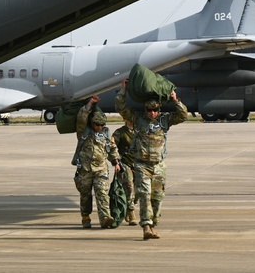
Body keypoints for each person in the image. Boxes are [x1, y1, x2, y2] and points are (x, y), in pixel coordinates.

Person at [116, 79, 188, 241]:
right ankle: (146, 226)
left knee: (157, 198)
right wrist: (123, 90)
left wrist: (175, 100)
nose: (152, 113)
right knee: (144, 194)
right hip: (142, 165)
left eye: (155, 110)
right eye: (149, 110)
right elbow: (121, 108)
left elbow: (183, 115)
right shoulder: (138, 120)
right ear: (145, 109)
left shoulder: (164, 121)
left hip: (159, 166)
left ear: (158, 109)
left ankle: (153, 223)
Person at [74, 95, 121, 229]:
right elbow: (81, 117)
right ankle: (85, 217)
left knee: (102, 192)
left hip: (100, 168)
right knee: (85, 195)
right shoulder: (83, 131)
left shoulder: (106, 133)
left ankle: (105, 218)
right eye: (97, 124)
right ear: (91, 123)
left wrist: (116, 162)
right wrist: (90, 104)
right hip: (85, 169)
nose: (99, 127)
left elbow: (112, 148)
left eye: (102, 125)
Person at [111, 119, 139, 226]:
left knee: (139, 190)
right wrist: (116, 161)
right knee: (129, 187)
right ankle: (131, 213)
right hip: (125, 164)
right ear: (124, 119)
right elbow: (112, 146)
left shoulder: (140, 131)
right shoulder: (120, 132)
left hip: (139, 164)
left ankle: (128, 207)